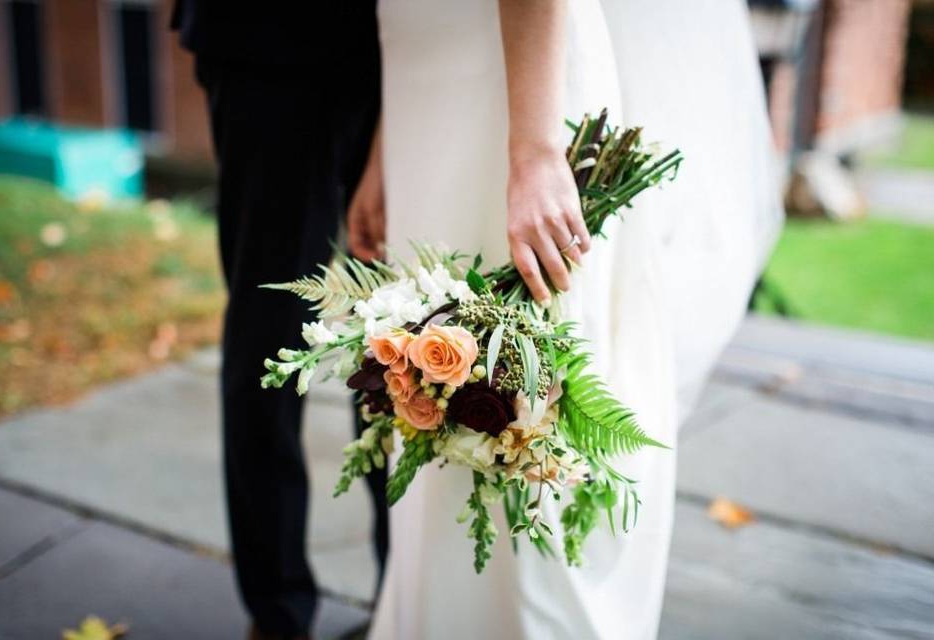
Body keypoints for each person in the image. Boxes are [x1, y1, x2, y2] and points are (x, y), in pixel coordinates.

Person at [346, 0, 782, 638]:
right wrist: (385, 148)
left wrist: (536, 152)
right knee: (435, 388)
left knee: (534, 404)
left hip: (518, 87)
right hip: (423, 74)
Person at [171, 3, 388, 639]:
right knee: (270, 339)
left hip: (412, 60)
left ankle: (404, 598)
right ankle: (277, 612)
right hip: (269, 48)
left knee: (406, 346)